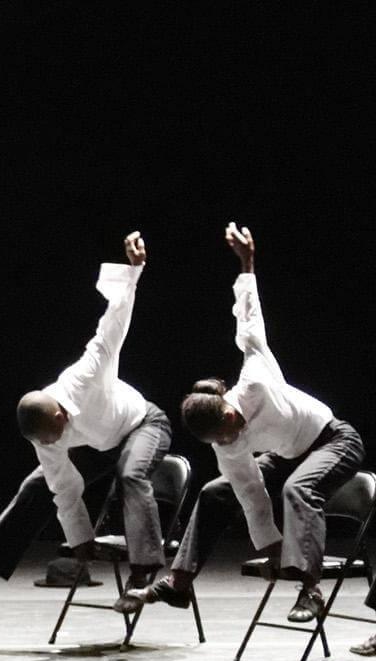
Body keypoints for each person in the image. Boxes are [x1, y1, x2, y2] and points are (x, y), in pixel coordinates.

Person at [143, 223, 363, 623]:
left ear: (228, 410)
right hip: (290, 454)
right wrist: (274, 546)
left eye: (226, 433)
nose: (229, 441)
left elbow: (249, 316)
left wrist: (247, 261)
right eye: (220, 441)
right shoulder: (224, 443)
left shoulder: (257, 378)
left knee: (300, 487)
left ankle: (311, 591)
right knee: (215, 491)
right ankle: (179, 581)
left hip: (334, 441)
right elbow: (251, 493)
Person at [0, 233, 171, 607]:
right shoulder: (45, 435)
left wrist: (134, 271)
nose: (51, 444)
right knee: (36, 484)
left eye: (52, 436)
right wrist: (82, 541)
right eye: (45, 442)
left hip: (142, 425)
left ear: (59, 413)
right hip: (98, 444)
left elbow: (113, 325)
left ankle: (142, 575)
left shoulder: (86, 374)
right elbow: (63, 486)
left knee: (131, 474)